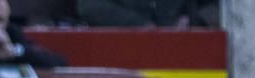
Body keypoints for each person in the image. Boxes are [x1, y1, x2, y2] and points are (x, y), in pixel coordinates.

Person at [77, 0, 219, 28]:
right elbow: (88, 6)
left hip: (184, 56)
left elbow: (222, 7)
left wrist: (192, 20)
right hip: (124, 52)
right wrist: (139, 24)